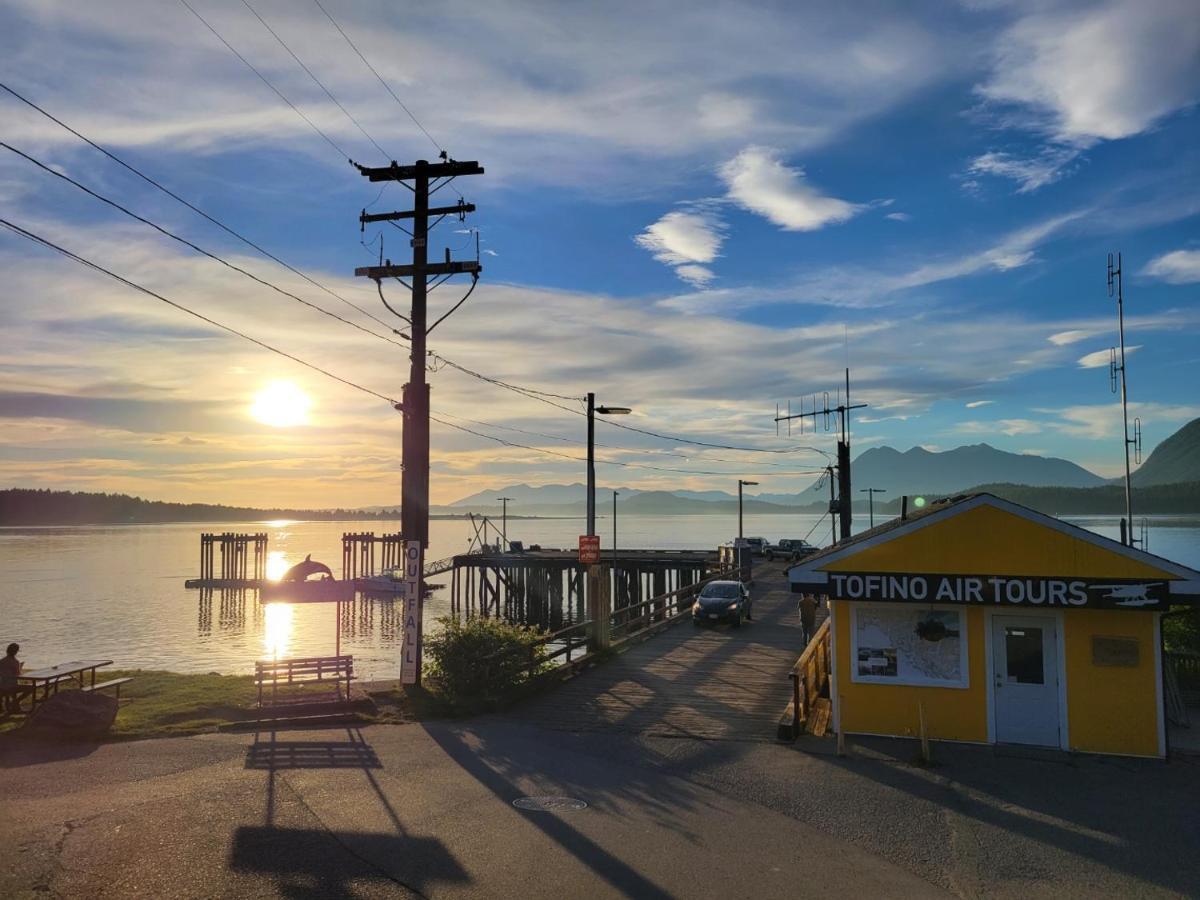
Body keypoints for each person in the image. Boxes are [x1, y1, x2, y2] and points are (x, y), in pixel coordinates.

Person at [1, 643, 22, 714]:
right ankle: (15, 702)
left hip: (2, 685)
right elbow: (18, 674)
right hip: (12, 685)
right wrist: (20, 667)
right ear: (16, 652)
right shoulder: (15, 662)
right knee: (31, 688)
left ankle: (14, 704)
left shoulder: (2, 661)